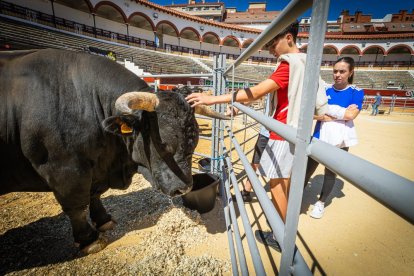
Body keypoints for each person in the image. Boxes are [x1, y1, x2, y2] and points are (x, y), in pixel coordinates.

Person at [186, 20, 327, 251]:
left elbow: (259, 91)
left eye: (273, 43)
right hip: (295, 131)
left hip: (282, 132)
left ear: (289, 38)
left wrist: (212, 98)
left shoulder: (288, 65)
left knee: (277, 186)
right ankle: (283, 232)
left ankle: (280, 237)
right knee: (284, 184)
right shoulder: (306, 63)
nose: (271, 49)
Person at [304, 56, 364, 219]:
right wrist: (327, 115)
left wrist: (326, 111)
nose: (337, 74)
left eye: (342, 71)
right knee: (306, 170)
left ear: (351, 72)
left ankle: (321, 203)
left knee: (330, 173)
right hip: (318, 137)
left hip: (340, 141)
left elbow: (351, 115)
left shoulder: (356, 92)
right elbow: (310, 112)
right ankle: (295, 197)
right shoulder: (325, 89)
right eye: (335, 71)